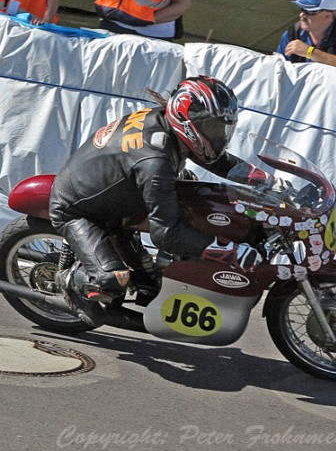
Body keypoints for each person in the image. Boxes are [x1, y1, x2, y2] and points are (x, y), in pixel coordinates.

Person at [48, 76, 269, 325]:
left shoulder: (166, 124)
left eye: (222, 128)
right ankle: (69, 281)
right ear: (188, 119)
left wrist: (266, 180)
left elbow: (214, 159)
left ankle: (158, 269)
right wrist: (231, 251)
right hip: (77, 208)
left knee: (193, 192)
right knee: (113, 280)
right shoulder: (156, 161)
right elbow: (166, 234)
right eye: (212, 128)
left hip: (114, 186)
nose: (218, 136)